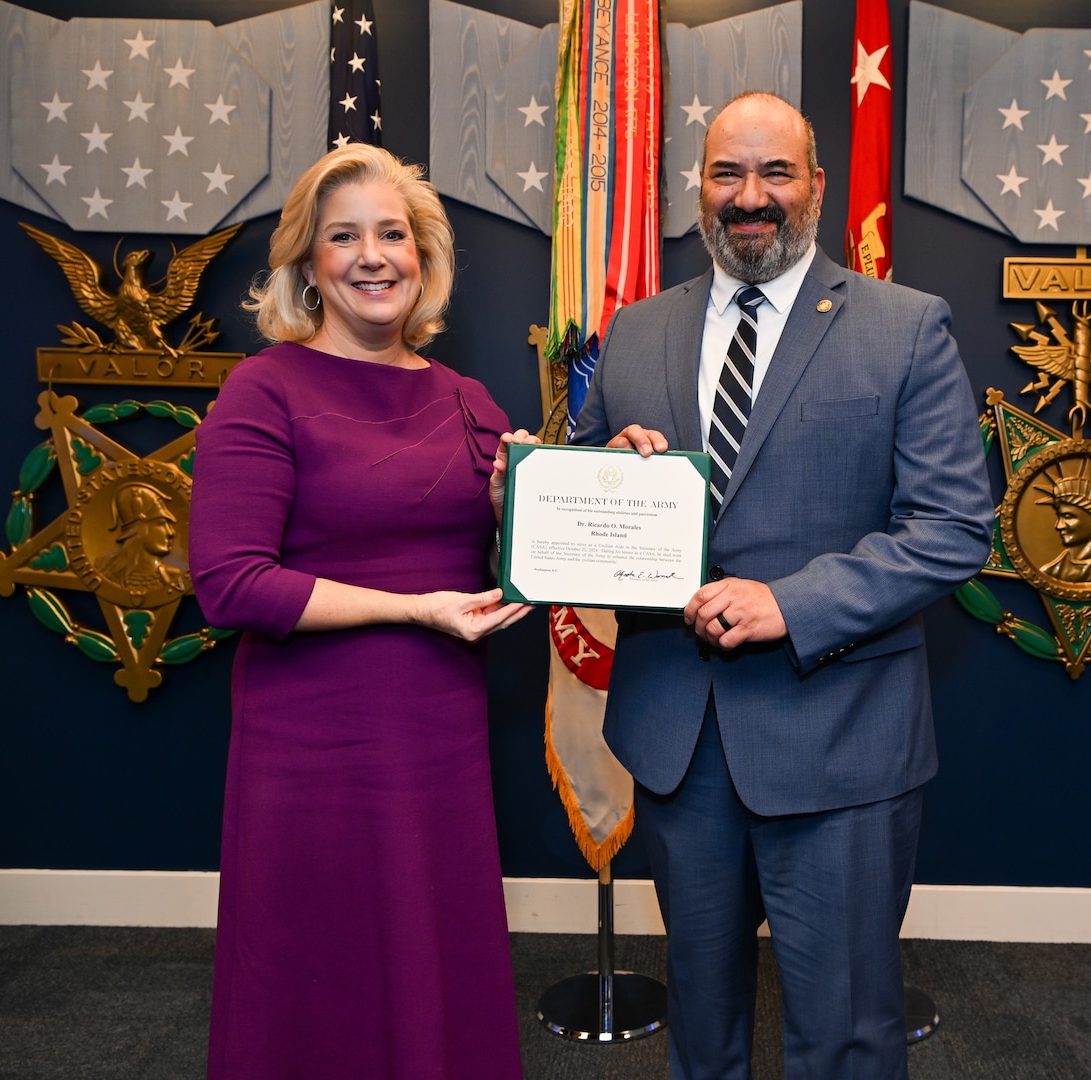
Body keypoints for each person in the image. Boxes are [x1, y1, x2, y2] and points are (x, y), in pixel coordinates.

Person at [571, 92, 994, 1079]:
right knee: (701, 1031)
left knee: (844, 1031)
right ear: (699, 187)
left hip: (839, 737)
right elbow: (582, 499)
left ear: (814, 186)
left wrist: (787, 603)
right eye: (726, 173)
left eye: (774, 174)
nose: (748, 197)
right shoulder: (632, 331)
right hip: (678, 741)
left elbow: (952, 531)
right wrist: (594, 474)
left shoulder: (904, 328)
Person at [189, 144, 532, 1080]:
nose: (372, 256)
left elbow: (515, 570)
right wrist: (409, 611)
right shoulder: (263, 389)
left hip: (436, 734)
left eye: (393, 234)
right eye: (344, 237)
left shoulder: (469, 402)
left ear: (423, 256)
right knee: (318, 967)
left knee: (433, 953)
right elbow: (229, 582)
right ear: (308, 263)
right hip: (314, 742)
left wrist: (541, 506)